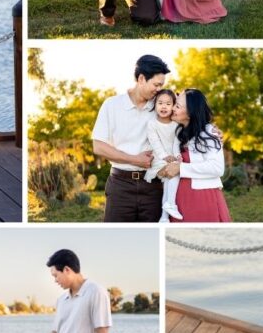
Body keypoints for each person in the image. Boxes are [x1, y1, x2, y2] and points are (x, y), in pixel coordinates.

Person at [92, 54, 169, 222]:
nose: (158, 89)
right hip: (120, 185)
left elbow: (187, 114)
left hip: (153, 186)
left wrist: (211, 131)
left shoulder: (162, 106)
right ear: (141, 78)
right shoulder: (112, 105)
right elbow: (98, 146)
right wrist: (135, 160)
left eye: (161, 85)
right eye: (156, 84)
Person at [162, 89, 230, 222]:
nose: (172, 108)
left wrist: (180, 168)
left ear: (190, 113)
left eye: (178, 106)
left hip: (202, 198)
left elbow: (217, 168)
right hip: (178, 200)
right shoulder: (179, 133)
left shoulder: (209, 132)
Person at [145, 89, 183, 221]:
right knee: (172, 174)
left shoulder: (176, 124)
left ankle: (164, 215)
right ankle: (170, 205)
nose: (164, 106)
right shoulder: (152, 124)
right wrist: (164, 156)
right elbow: (155, 142)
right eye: (160, 103)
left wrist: (177, 155)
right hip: (159, 159)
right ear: (155, 105)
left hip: (173, 158)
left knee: (170, 177)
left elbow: (177, 142)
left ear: (174, 106)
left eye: (168, 103)